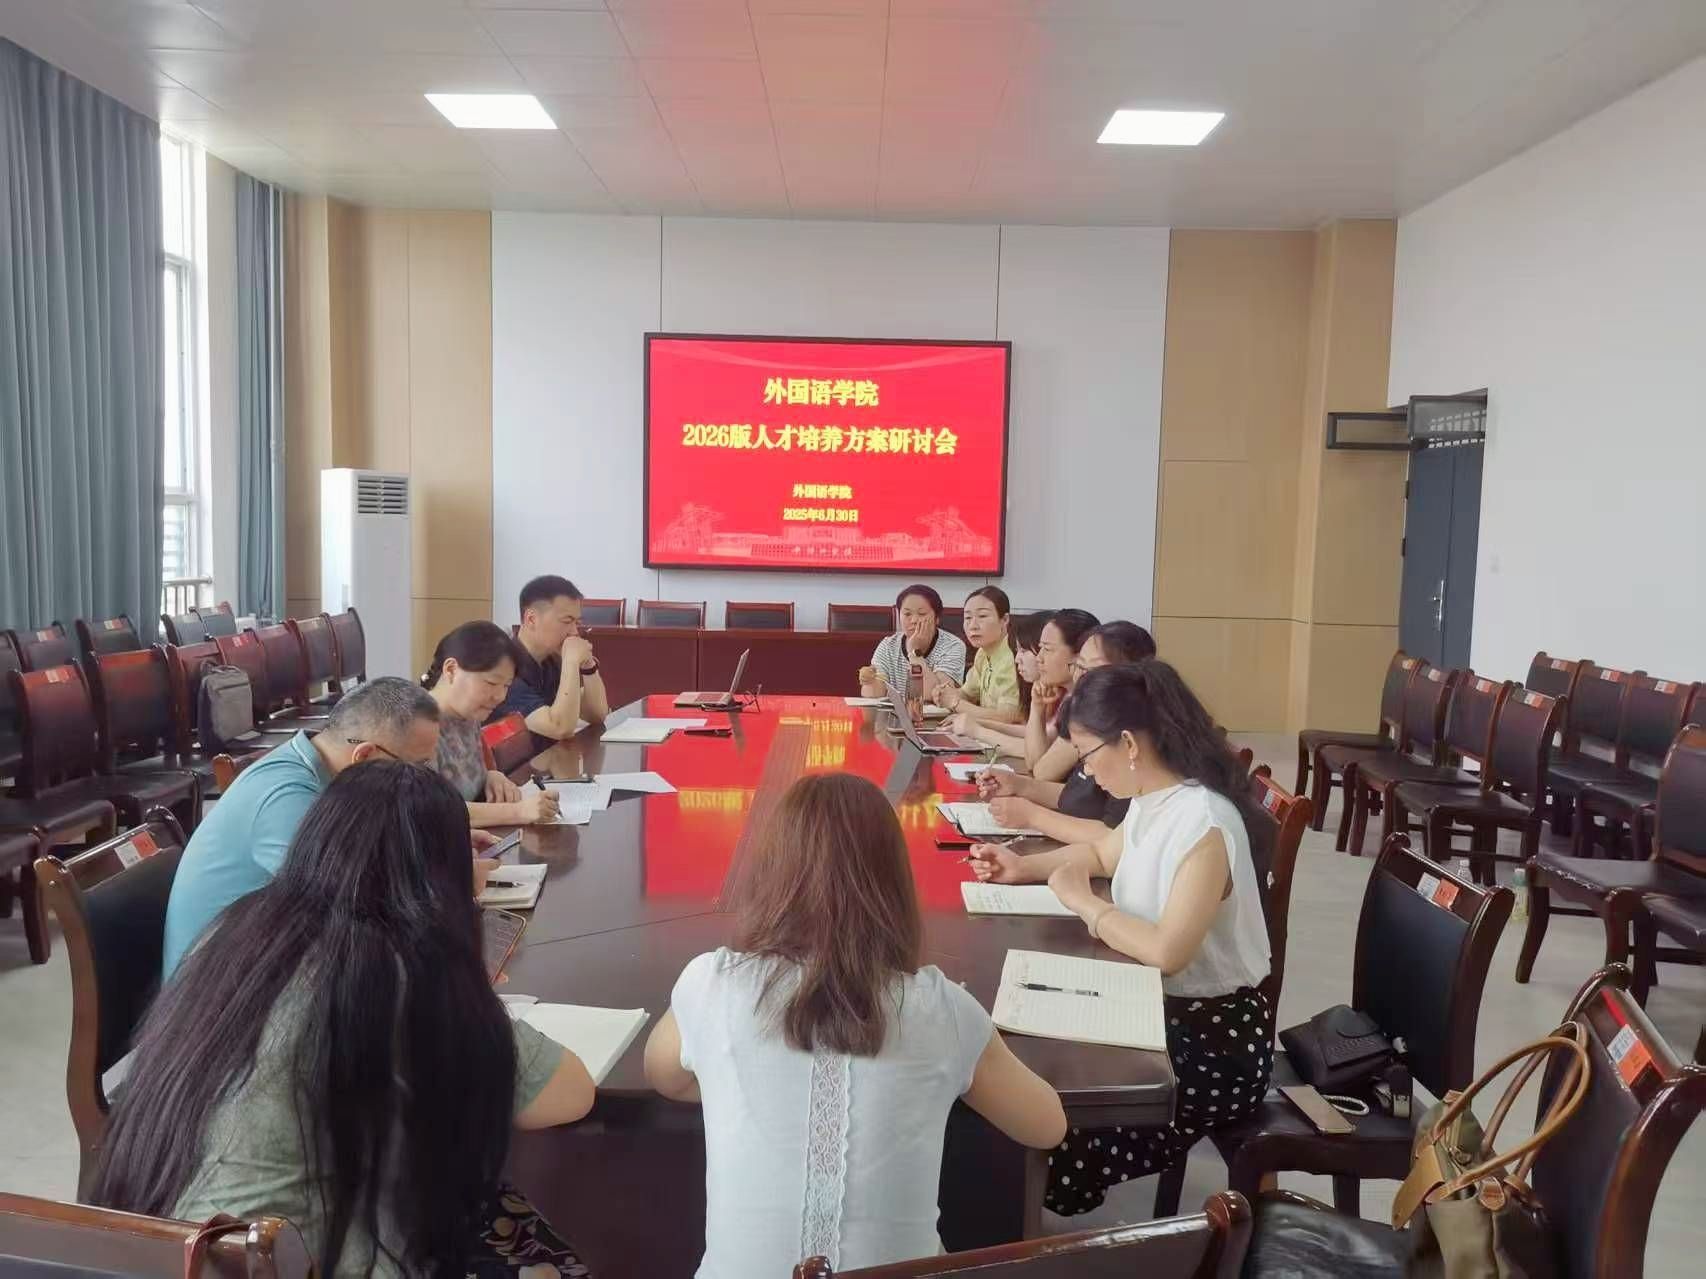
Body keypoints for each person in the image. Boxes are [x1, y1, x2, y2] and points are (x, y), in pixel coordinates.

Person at [91, 763, 597, 1277]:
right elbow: (568, 1094)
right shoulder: (401, 971)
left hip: (157, 1251)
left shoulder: (234, 929)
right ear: (443, 873)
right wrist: (469, 988)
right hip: (288, 1262)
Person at [643, 773, 1066, 1277]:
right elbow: (1047, 1125)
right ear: (894, 882)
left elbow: (665, 1076)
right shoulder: (942, 1010)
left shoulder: (712, 985)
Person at [968, 662, 1271, 1216]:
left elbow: (1167, 952)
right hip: (1153, 1007)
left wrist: (1086, 904)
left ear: (1128, 744)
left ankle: (1017, 1224)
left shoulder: (1203, 822)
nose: (1085, 771)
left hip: (1209, 1040)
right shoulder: (1154, 798)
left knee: (1047, 1111)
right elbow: (1104, 854)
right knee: (1026, 1061)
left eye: (1087, 754)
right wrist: (1023, 867)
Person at [161, 677, 442, 979]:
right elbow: (355, 904)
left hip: (265, 956)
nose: (422, 782)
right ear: (364, 757)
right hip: (215, 989)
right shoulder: (289, 798)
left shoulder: (328, 774)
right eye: (417, 769)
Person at [979, 620, 1159, 843]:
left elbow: (1113, 839)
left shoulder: (1136, 736)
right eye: (1078, 667)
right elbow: (1076, 795)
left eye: (1088, 670)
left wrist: (1033, 816)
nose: (1079, 678)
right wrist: (1018, 785)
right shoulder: (1085, 714)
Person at [423, 621, 561, 828]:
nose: (500, 697)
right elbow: (431, 811)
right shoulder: (417, 725)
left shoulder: (469, 715)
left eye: (506, 686)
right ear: (451, 669)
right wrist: (519, 811)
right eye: (491, 683)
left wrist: (489, 776)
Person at [954, 608, 1099, 769]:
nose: (1039, 658)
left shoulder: (1088, 706)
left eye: (1047, 649)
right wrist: (981, 724)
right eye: (1040, 648)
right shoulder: (1065, 694)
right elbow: (1038, 737)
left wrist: (976, 730)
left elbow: (1038, 760)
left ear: (1079, 655)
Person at [494, 574, 611, 748]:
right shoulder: (505, 668)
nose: (574, 632)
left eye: (577, 622)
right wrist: (571, 662)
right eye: (567, 621)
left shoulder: (550, 660)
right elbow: (560, 728)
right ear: (531, 619)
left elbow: (597, 715)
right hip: (524, 766)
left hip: (548, 761)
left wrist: (588, 666)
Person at [925, 586, 1021, 724]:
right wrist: (944, 694)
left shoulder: (1014, 656)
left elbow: (1007, 717)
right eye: (968, 617)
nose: (973, 625)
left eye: (982, 616)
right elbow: (967, 694)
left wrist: (955, 703)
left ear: (1004, 619)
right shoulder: (983, 652)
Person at [857, 584, 967, 700]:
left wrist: (915, 654)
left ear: (937, 618)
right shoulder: (888, 646)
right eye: (907, 614)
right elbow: (874, 695)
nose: (914, 620)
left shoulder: (953, 646)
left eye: (922, 614)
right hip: (896, 712)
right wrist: (870, 681)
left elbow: (937, 695)